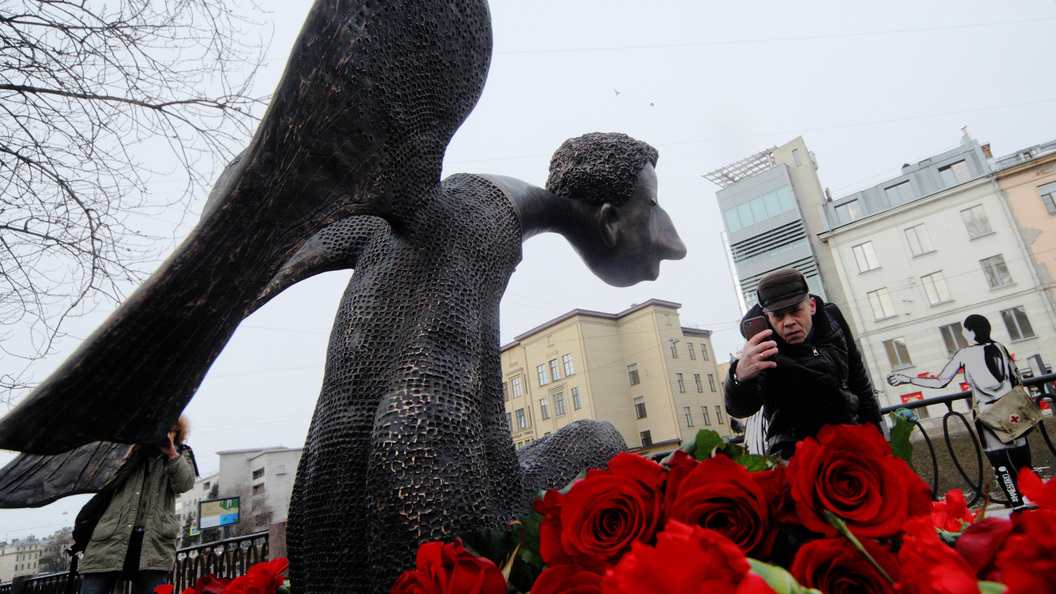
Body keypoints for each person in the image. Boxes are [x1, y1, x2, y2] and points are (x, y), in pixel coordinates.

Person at [269, 132, 685, 592]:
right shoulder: (482, 227)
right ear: (608, 220)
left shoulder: (450, 208)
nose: (674, 244)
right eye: (650, 206)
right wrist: (450, 568)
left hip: (330, 495)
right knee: (598, 441)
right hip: (408, 515)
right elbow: (417, 419)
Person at [724, 268, 881, 459]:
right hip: (796, 458)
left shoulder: (833, 320)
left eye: (795, 311)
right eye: (778, 316)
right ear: (767, 317)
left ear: (811, 306)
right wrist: (740, 377)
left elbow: (859, 379)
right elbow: (741, 409)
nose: (788, 322)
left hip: (852, 443)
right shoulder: (763, 349)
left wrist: (877, 438)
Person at [887, 314, 1034, 510]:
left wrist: (909, 379)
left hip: (988, 413)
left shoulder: (964, 354)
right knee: (1022, 462)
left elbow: (941, 382)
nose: (963, 333)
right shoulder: (1000, 347)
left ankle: (1017, 505)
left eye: (964, 329)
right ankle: (1035, 498)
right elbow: (1017, 376)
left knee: (1000, 464)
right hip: (1012, 411)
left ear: (971, 331)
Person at [78, 416, 196, 594]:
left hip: (155, 541)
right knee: (93, 589)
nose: (163, 434)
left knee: (154, 589)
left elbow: (185, 484)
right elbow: (106, 480)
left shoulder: (180, 455)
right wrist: (135, 449)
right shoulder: (125, 451)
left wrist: (171, 454)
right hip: (111, 537)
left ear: (177, 433)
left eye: (170, 430)